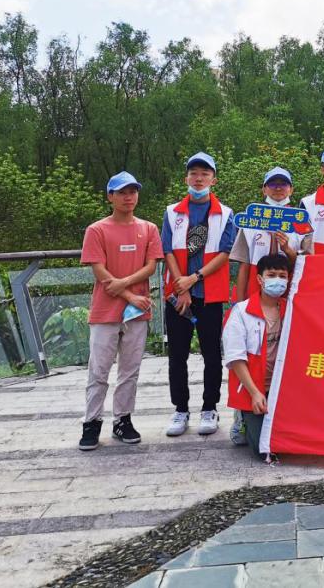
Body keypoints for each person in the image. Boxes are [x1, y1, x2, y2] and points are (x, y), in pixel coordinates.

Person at [78, 172, 163, 451]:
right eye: (122, 192)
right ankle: (91, 422)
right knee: (99, 370)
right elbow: (100, 271)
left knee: (130, 370)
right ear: (110, 197)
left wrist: (124, 285)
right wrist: (129, 293)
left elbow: (151, 266)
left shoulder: (149, 228)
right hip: (106, 310)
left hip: (137, 311)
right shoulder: (97, 230)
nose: (128, 197)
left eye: (133, 191)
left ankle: (123, 419)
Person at [162, 152, 236, 438]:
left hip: (210, 293)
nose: (199, 178)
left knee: (211, 354)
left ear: (213, 179)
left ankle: (209, 407)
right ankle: (180, 409)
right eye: (194, 173)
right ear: (186, 178)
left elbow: (225, 252)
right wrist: (182, 286)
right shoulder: (172, 212)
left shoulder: (226, 213)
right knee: (177, 355)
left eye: (205, 174)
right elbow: (167, 250)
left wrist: (194, 279)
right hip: (178, 295)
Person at [223, 254, 291, 458]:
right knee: (264, 448)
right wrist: (254, 393)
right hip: (253, 388)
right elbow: (235, 358)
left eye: (282, 275)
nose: (277, 280)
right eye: (271, 275)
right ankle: (243, 417)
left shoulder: (292, 309)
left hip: (283, 390)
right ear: (260, 279)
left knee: (291, 443)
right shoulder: (241, 312)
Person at [230, 166, 311, 300]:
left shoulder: (302, 221)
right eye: (272, 184)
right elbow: (244, 265)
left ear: (291, 190)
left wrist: (288, 250)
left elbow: (308, 263)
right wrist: (239, 303)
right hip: (254, 291)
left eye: (283, 184)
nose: (278, 188)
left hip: (290, 291)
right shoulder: (250, 221)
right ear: (264, 189)